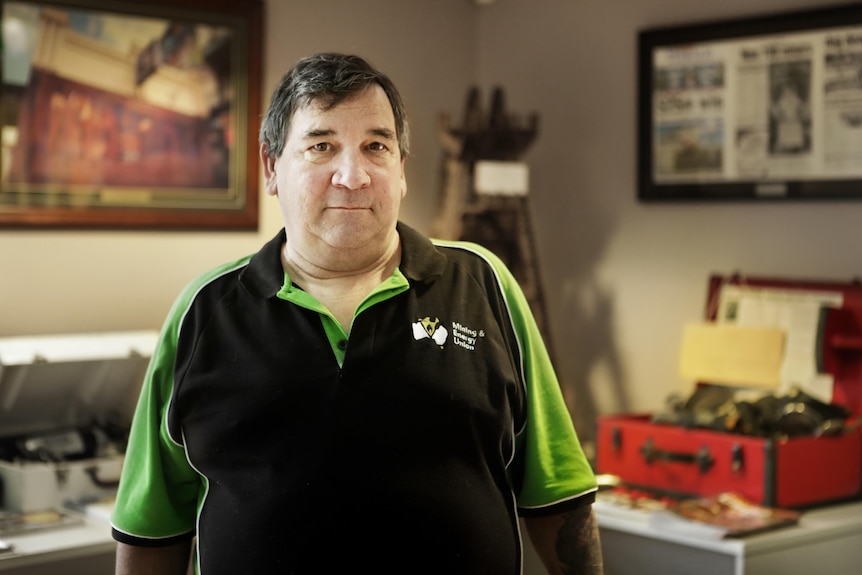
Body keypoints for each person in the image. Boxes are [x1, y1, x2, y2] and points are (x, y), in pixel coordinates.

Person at [111, 52, 602, 575]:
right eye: (321, 147)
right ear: (272, 167)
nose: (353, 175)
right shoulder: (203, 311)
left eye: (376, 146)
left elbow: (560, 499)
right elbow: (152, 531)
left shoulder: (484, 286)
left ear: (402, 169)